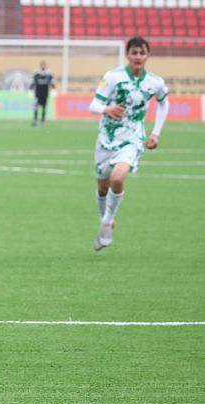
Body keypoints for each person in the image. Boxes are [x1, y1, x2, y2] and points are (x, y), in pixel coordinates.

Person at [89, 36, 169, 251]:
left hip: (132, 139)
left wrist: (156, 133)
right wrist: (106, 109)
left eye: (142, 53)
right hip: (107, 138)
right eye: (134, 53)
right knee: (102, 187)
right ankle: (105, 219)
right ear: (127, 55)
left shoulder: (155, 82)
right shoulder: (113, 77)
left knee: (117, 178)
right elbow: (93, 104)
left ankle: (107, 222)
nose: (138, 57)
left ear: (148, 55)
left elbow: (164, 103)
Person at [30, 61, 55, 126]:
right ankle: (35, 120)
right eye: (42, 65)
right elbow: (33, 83)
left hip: (45, 93)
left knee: (44, 107)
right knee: (36, 105)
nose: (43, 66)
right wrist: (31, 90)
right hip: (38, 93)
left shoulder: (48, 74)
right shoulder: (37, 74)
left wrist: (53, 90)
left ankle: (42, 121)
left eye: (44, 65)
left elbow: (52, 83)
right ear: (40, 66)